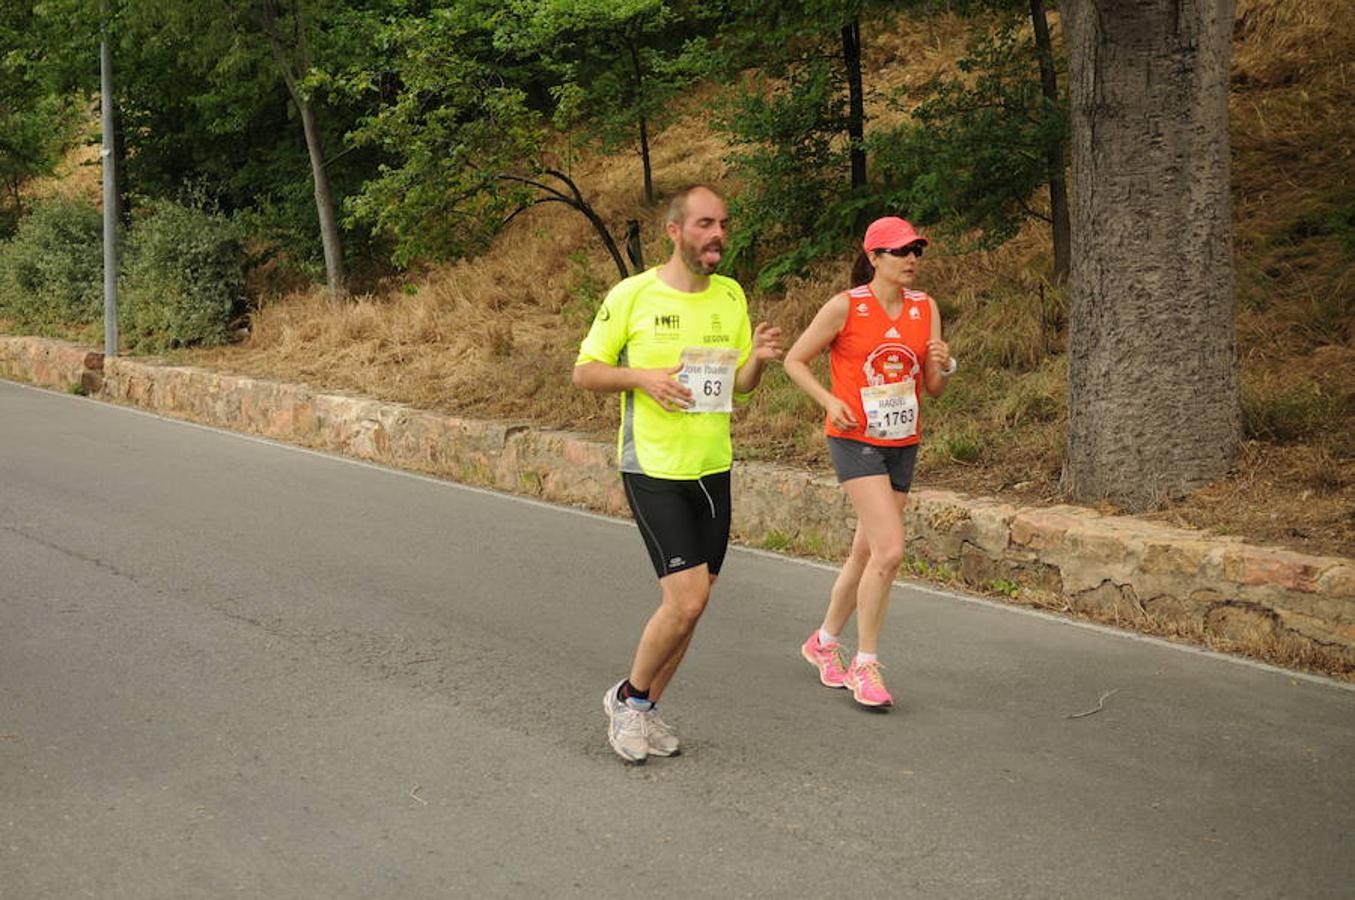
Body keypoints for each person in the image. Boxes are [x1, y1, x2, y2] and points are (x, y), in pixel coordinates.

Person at [573, 184, 783, 763]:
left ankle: (646, 708)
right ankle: (628, 700)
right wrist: (643, 378)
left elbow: (739, 383)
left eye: (723, 223)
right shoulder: (633, 295)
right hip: (655, 466)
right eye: (705, 224)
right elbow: (586, 372)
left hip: (712, 467)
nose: (717, 235)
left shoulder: (731, 296)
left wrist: (758, 361)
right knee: (685, 600)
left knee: (696, 603)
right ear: (675, 231)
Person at [782, 216, 955, 709]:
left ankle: (824, 642)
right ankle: (866, 664)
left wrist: (943, 364)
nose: (911, 260)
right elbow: (795, 359)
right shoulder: (846, 306)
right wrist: (828, 401)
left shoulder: (926, 308)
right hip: (855, 438)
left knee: (865, 553)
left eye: (916, 250)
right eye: (900, 252)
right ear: (874, 258)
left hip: (903, 439)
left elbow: (933, 388)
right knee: (890, 550)